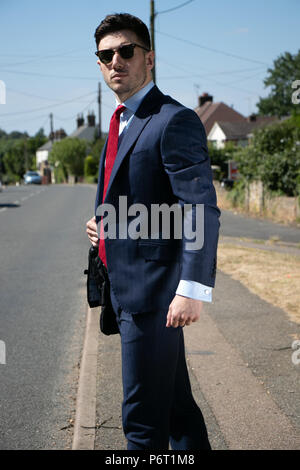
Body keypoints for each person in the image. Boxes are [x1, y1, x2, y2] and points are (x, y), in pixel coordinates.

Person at [86, 13, 220, 450]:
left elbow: (199, 207)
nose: (115, 62)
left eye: (126, 51)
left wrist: (193, 288)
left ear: (150, 58)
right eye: (106, 55)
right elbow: (135, 196)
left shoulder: (171, 119)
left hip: (154, 294)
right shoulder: (121, 119)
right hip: (124, 288)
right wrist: (103, 226)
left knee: (142, 425)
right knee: (176, 409)